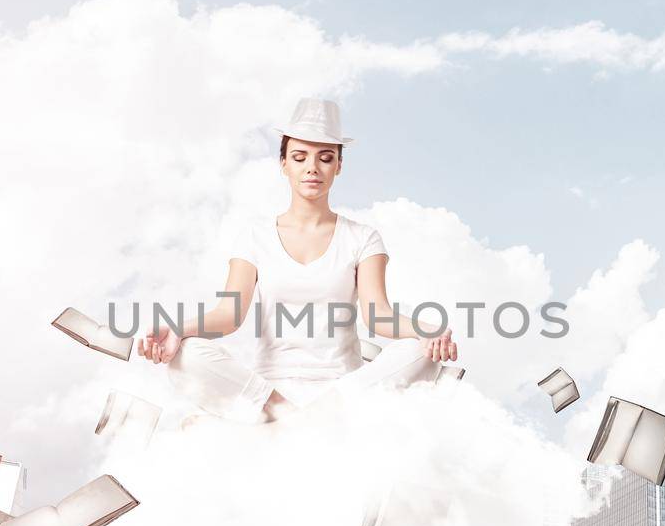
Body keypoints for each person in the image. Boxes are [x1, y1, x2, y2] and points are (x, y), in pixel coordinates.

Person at [137, 97, 459, 423]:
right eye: (300, 157)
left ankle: (291, 427)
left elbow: (379, 316)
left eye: (325, 158)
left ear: (339, 166)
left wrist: (428, 330)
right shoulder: (254, 236)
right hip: (268, 394)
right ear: (284, 164)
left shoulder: (363, 237)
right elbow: (229, 314)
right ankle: (304, 423)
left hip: (344, 389)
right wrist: (176, 329)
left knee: (422, 353)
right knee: (186, 355)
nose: (312, 168)